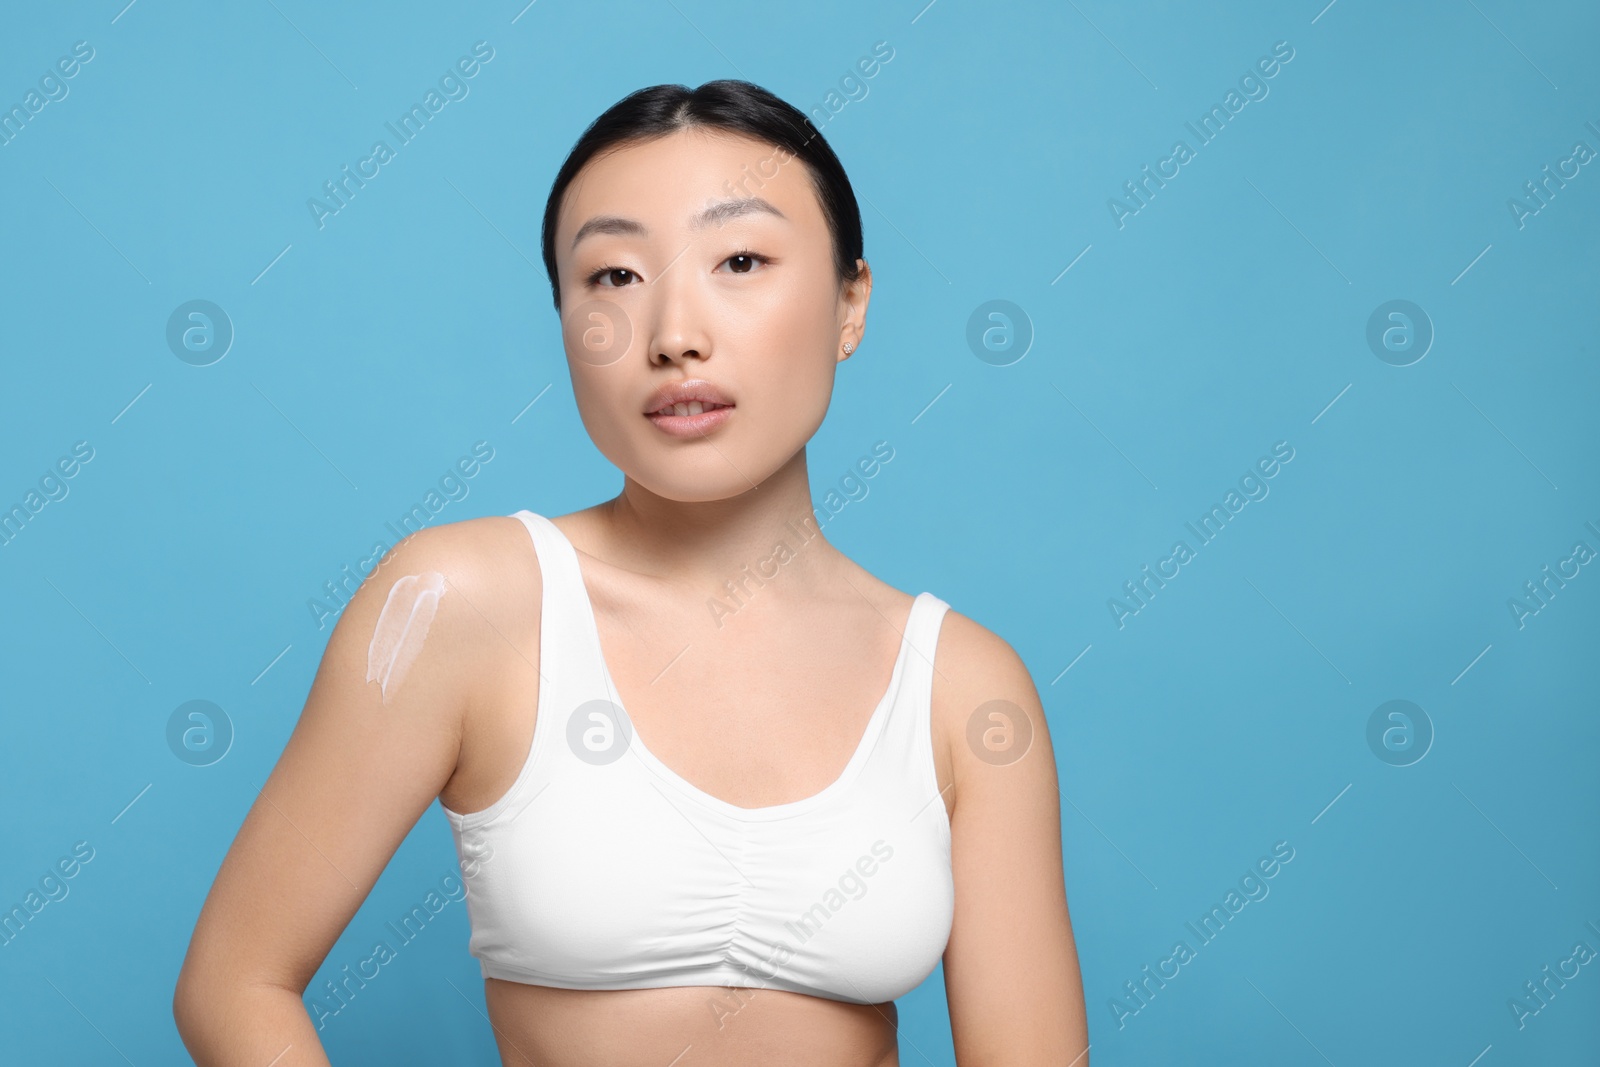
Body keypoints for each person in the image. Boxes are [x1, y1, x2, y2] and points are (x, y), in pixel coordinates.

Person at [173, 78, 1087, 1066]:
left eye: (741, 259)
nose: (673, 334)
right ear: (565, 317)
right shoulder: (465, 604)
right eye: (613, 276)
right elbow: (236, 982)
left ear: (849, 302)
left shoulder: (964, 688)